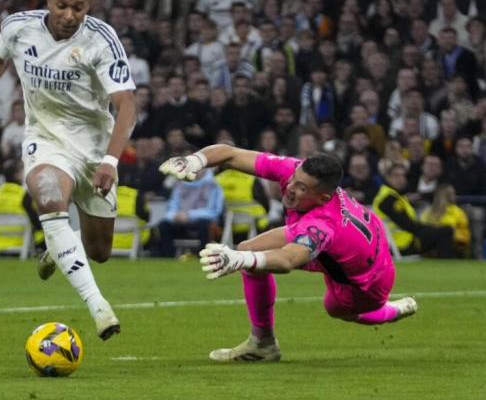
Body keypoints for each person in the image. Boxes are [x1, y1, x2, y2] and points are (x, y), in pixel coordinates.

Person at [0, 0, 137, 341]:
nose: (69, 15)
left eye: (77, 7)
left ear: (88, 6)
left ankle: (58, 248)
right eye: (61, 6)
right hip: (45, 138)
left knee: (100, 250)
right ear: (48, 1)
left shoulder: (101, 39)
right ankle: (99, 307)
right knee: (47, 194)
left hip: (94, 146)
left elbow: (126, 106)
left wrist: (110, 160)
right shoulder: (18, 28)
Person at [159, 145, 417, 362]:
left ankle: (390, 309)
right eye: (294, 178)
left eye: (302, 187)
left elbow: (288, 260)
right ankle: (263, 343)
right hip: (352, 247)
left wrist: (239, 261)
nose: (290, 187)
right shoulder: (298, 174)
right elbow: (229, 153)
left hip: (364, 283)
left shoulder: (323, 224)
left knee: (336, 309)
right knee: (248, 249)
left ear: (321, 197)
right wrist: (193, 161)